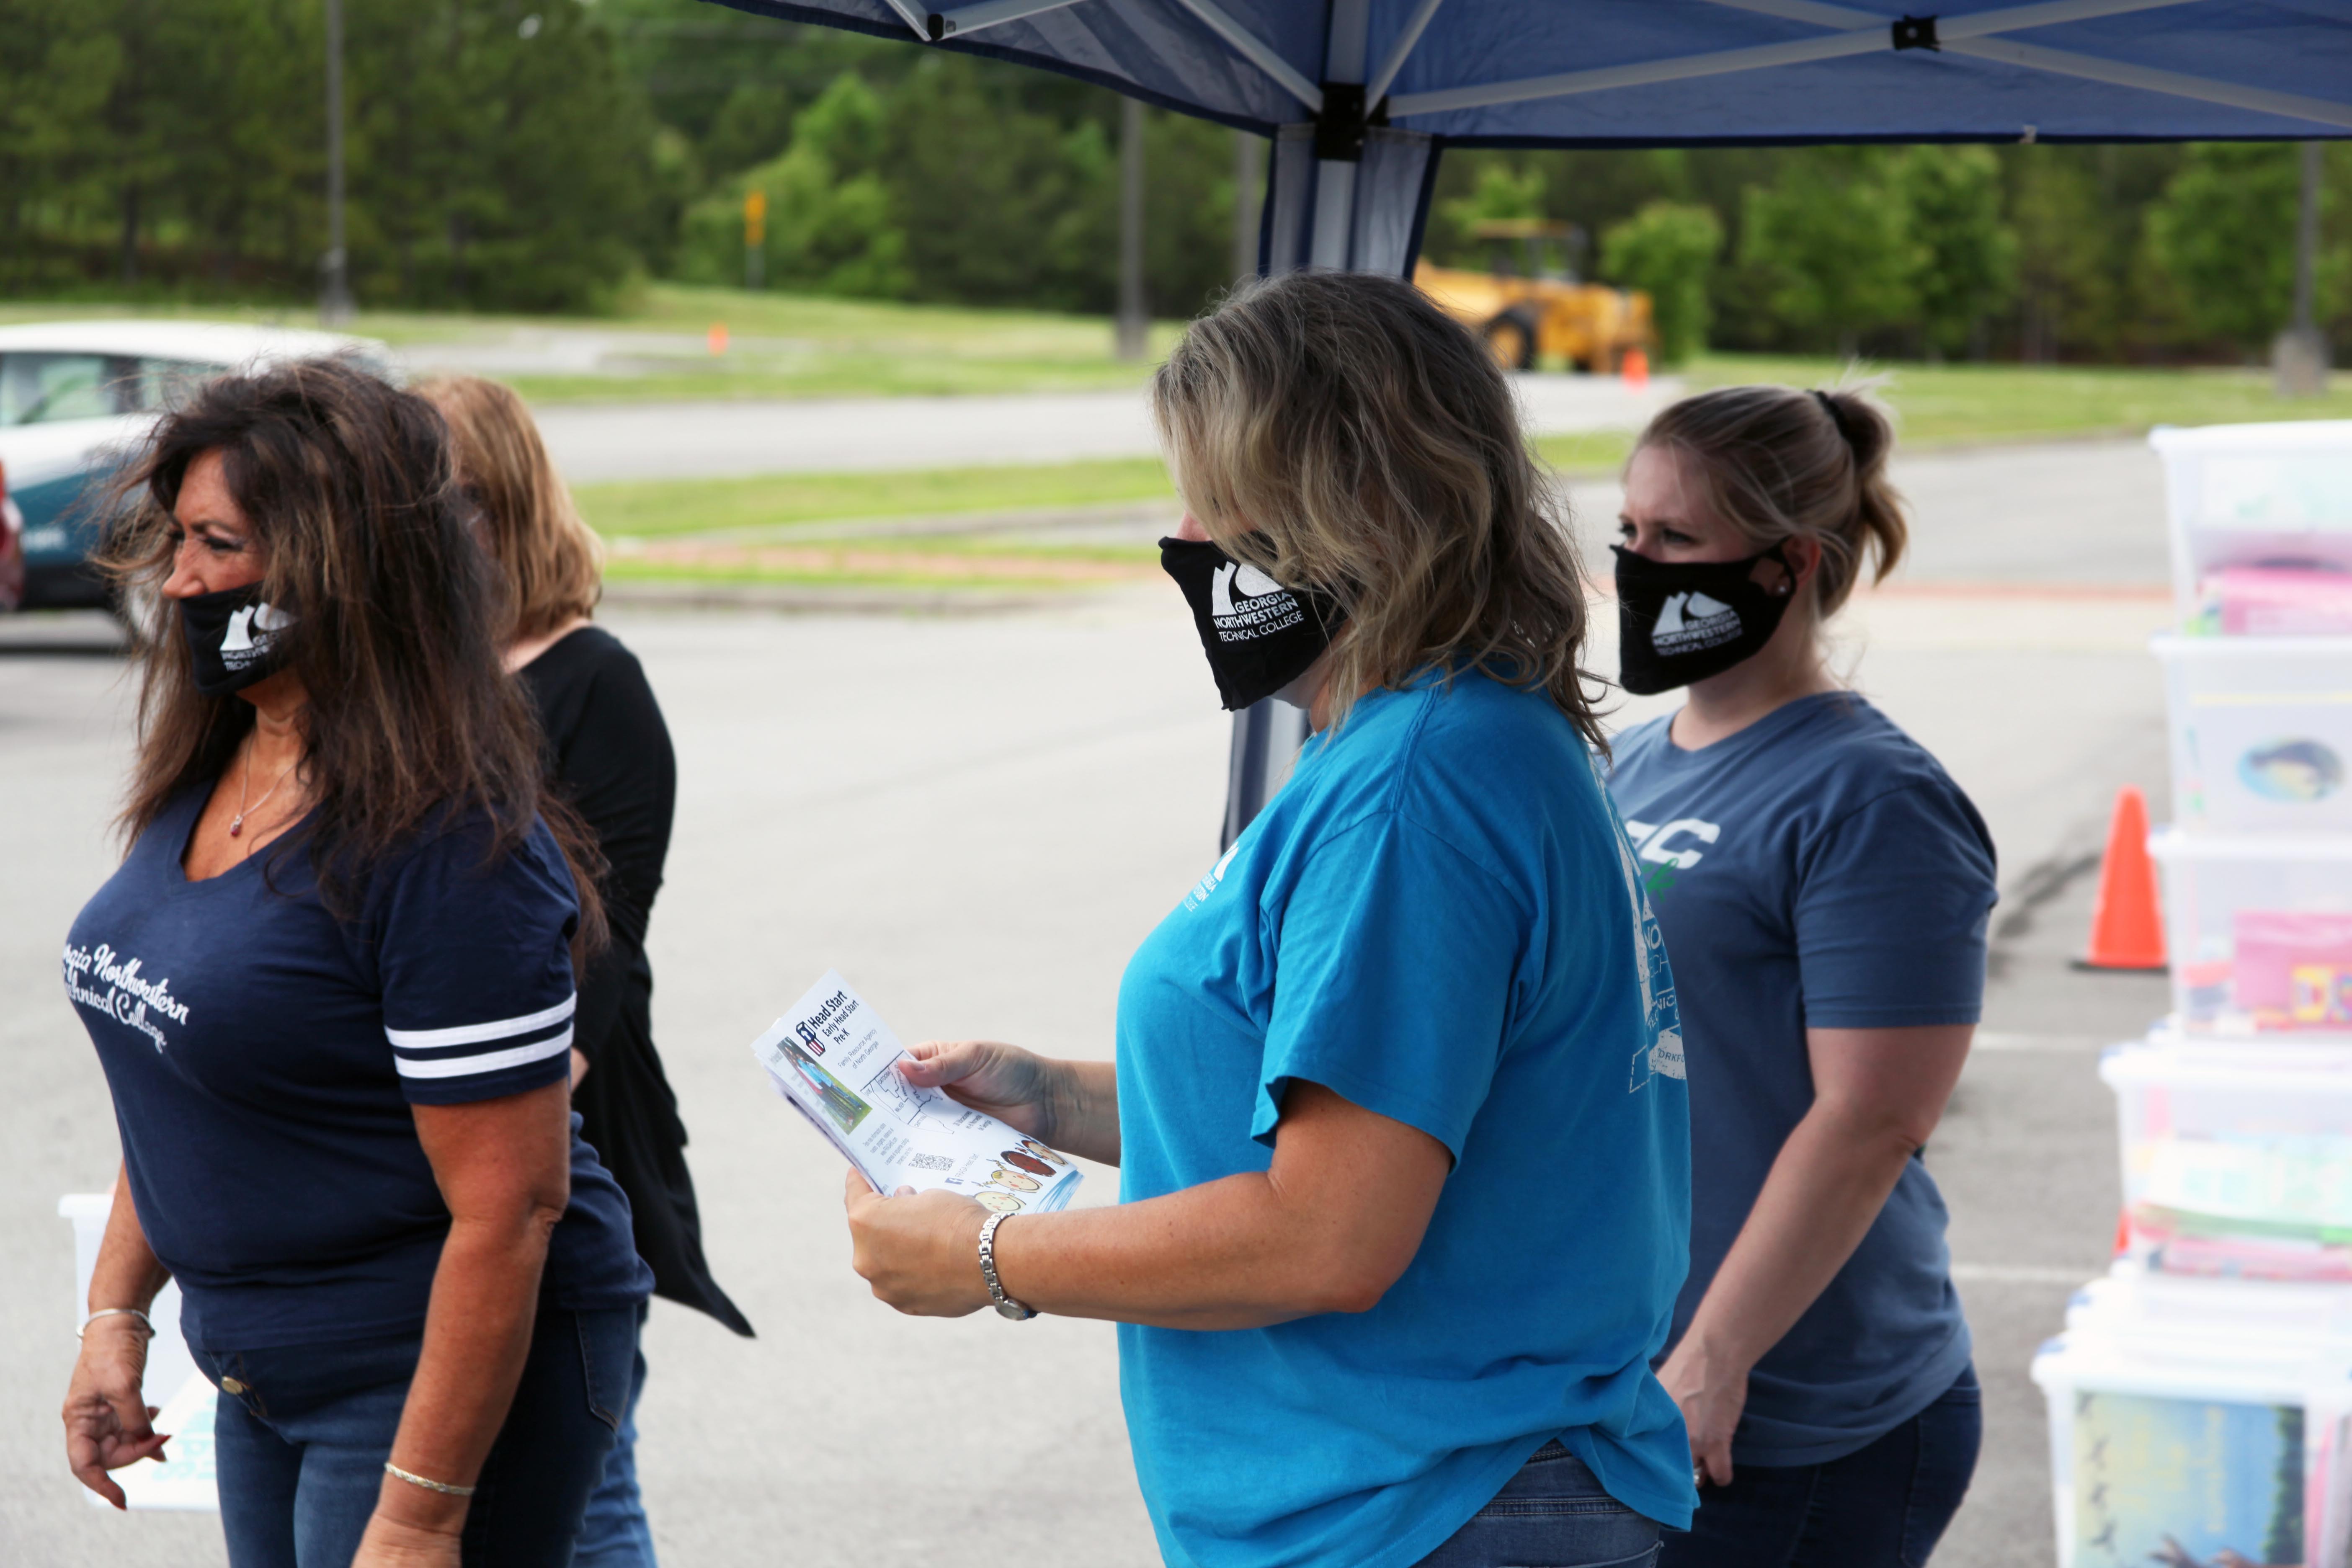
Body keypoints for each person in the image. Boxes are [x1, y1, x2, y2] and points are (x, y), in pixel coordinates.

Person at [838, 269, 1696, 1568]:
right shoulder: (1460, 738)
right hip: (1453, 1493)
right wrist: (1054, 1101)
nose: (1184, 537)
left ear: (1329, 511)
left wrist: (996, 1257)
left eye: (1211, 500)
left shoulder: (1417, 787)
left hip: (1419, 1502)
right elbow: (1382, 1111)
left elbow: (1332, 1233)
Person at [59, 358, 653, 1568]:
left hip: (422, 1372)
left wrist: (423, 1518)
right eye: (177, 540)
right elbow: (193, 1072)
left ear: (337, 568)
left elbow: (512, 1208)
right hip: (264, 1361)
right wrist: (117, 1313)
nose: (179, 581)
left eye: (217, 546)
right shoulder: (215, 761)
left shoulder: (447, 843)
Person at [1603, 385, 1996, 1565]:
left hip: (1792, 1415)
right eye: (1625, 534)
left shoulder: (1873, 797)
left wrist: (1715, 1361)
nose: (1635, 566)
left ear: (1790, 566)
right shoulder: (1624, 766)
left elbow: (1875, 1117)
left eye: (1675, 540)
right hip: (1643, 1387)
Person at [421, 374, 753, 1568]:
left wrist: (500, 1115)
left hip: (551, 1127)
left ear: (497, 502)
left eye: (441, 500)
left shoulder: (591, 679)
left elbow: (607, 939)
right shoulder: (411, 681)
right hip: (408, 1138)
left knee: (579, 1487)